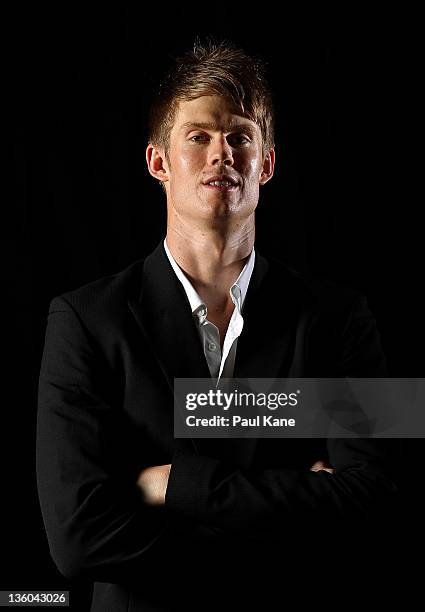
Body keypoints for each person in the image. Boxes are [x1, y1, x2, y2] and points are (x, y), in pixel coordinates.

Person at [37, 39, 399, 611]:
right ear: (159, 162)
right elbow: (76, 542)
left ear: (267, 163)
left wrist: (170, 485)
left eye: (240, 137)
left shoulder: (342, 317)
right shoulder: (83, 319)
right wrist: (296, 515)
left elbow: (384, 503)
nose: (221, 155)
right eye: (199, 136)